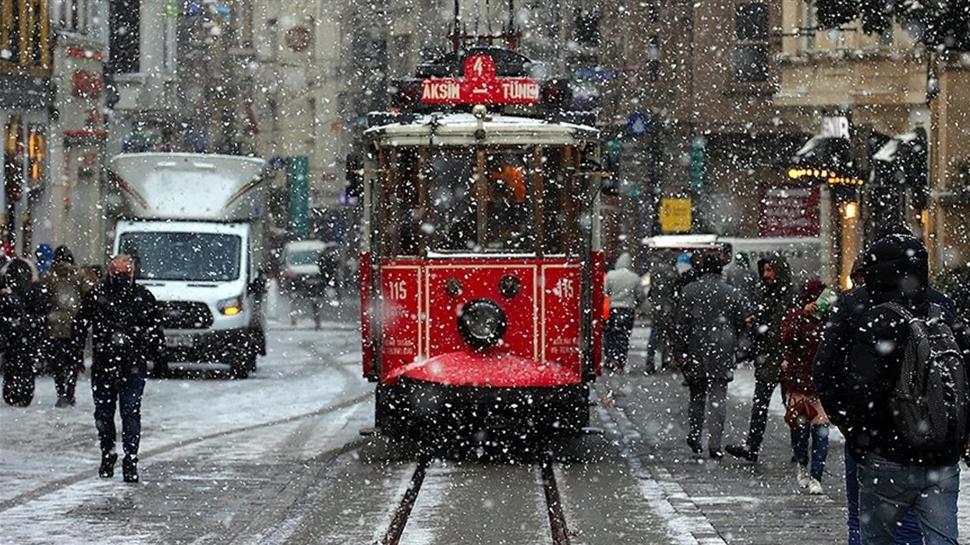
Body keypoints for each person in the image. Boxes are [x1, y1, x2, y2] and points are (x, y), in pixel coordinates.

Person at [815, 235, 970, 545]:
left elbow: (828, 373)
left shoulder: (855, 307)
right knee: (941, 537)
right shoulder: (941, 306)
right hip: (940, 450)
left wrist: (856, 433)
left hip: (882, 448)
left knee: (870, 531)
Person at [73, 255, 165, 483]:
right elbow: (80, 325)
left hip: (132, 365)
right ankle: (108, 453)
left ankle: (130, 458)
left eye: (126, 272)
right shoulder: (98, 296)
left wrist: (157, 355)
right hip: (106, 364)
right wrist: (75, 356)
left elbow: (155, 330)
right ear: (110, 273)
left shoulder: (143, 297)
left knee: (130, 411)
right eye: (119, 273)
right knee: (105, 413)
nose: (123, 277)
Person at [673, 252, 748, 458]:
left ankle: (695, 436)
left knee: (696, 396)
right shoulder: (731, 292)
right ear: (720, 269)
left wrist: (679, 351)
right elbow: (742, 323)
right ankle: (715, 444)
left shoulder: (689, 291)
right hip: (722, 350)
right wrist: (740, 350)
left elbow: (681, 325)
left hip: (696, 349)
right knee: (718, 398)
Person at [726, 253, 793, 463]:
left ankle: (798, 447)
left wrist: (760, 326)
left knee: (791, 404)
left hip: (785, 357)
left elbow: (781, 328)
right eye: (764, 270)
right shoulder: (765, 293)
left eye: (770, 270)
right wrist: (755, 323)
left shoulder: (788, 294)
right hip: (769, 358)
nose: (766, 275)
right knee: (761, 404)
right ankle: (753, 446)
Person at [780, 277, 830, 494]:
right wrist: (802, 314)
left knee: (821, 432)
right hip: (799, 382)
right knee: (800, 431)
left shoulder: (829, 317)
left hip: (821, 382)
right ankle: (802, 462)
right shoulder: (794, 314)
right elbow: (786, 337)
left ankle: (816, 476)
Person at [39, 246, 85, 407]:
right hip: (75, 323)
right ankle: (70, 391)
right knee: (73, 360)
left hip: (54, 324)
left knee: (57, 361)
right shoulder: (79, 275)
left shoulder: (49, 276)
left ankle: (61, 392)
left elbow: (42, 298)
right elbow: (88, 295)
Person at [0, 258, 46, 406]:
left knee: (12, 363)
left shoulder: (8, 292)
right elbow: (40, 309)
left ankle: (12, 393)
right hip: (27, 333)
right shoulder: (34, 288)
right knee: (25, 364)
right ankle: (24, 394)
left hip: (13, 333)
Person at [604, 252, 641, 372]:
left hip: (614, 309)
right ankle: (621, 360)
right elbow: (640, 295)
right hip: (628, 309)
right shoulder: (634, 277)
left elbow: (605, 291)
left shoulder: (611, 275)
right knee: (624, 336)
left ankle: (610, 358)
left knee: (611, 335)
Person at [644, 258, 678, 374]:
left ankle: (650, 361)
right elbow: (675, 289)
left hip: (657, 307)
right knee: (668, 335)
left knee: (654, 334)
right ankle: (665, 360)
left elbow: (651, 290)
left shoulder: (654, 271)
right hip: (668, 306)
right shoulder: (673, 271)